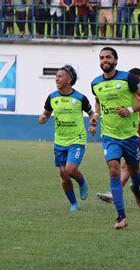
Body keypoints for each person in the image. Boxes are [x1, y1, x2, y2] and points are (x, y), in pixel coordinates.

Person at [90, 47, 140, 230]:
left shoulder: (129, 79)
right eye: (101, 57)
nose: (104, 60)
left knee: (134, 171)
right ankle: (121, 216)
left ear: (116, 60)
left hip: (130, 136)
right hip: (110, 136)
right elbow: (99, 102)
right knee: (114, 170)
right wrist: (95, 117)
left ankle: (136, 189)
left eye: (108, 57)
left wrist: (130, 110)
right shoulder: (95, 83)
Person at [96, 68, 140, 205]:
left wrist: (130, 122)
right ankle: (114, 194)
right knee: (127, 166)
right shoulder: (129, 94)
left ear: (138, 80)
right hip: (132, 136)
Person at [38, 65, 94, 212]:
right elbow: (46, 114)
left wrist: (93, 123)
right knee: (63, 175)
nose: (57, 79)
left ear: (69, 80)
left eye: (60, 76)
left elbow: (91, 113)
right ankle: (74, 204)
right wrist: (43, 118)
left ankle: (81, 181)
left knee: (70, 170)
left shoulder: (80, 98)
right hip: (59, 141)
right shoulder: (52, 97)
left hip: (77, 139)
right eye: (56, 76)